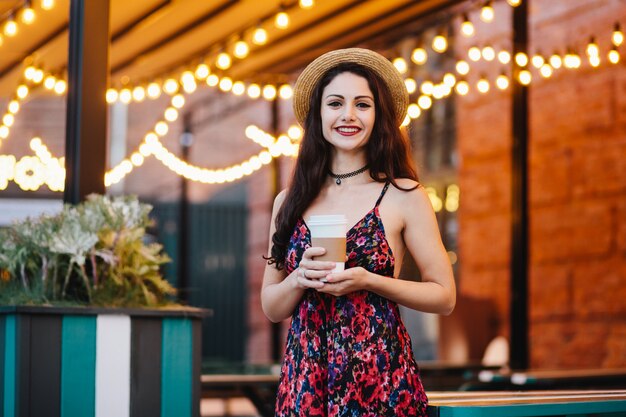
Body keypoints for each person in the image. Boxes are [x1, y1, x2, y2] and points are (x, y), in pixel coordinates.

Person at [261, 48, 456, 417]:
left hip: (379, 378)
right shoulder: (288, 201)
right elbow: (272, 306)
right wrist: (299, 278)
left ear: (378, 116)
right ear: (318, 115)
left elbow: (444, 296)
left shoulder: (404, 195)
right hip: (305, 380)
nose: (348, 115)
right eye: (335, 103)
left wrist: (368, 280)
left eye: (362, 105)